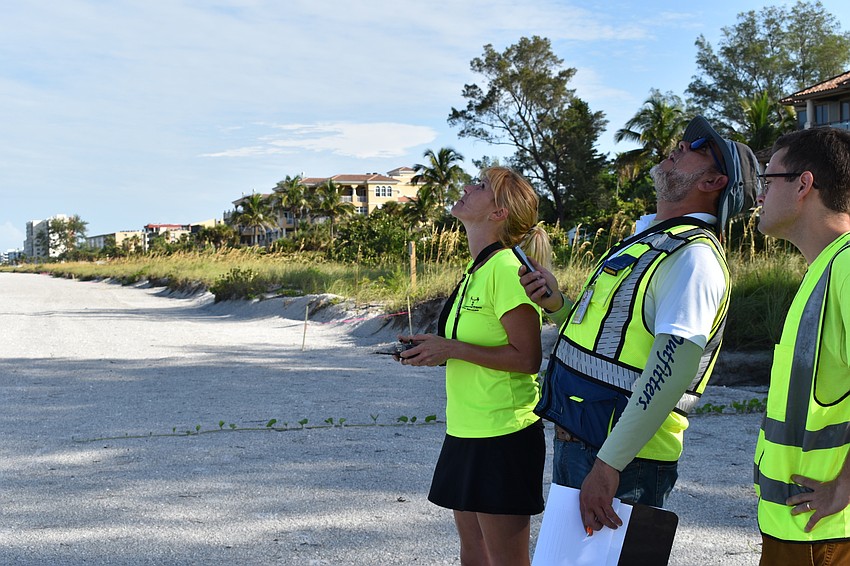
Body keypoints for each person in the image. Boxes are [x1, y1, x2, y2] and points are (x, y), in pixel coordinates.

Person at [520, 116, 761, 534]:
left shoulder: (694, 258)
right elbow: (607, 336)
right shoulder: (653, 243)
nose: (681, 145)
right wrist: (556, 304)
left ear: (714, 181)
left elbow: (673, 371)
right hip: (590, 445)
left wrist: (609, 464)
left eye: (698, 147)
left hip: (621, 461)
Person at [396, 166, 552, 566]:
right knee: (474, 556)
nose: (466, 187)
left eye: (481, 186)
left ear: (498, 213)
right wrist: (432, 350)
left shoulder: (506, 269)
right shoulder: (475, 270)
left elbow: (527, 358)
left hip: (505, 435)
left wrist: (451, 349)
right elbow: (467, 346)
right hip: (464, 429)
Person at [753, 127, 850, 565]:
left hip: (825, 535)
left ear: (803, 185)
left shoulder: (846, 267)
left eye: (767, 180)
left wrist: (844, 488)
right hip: (800, 531)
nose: (759, 196)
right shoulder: (825, 268)